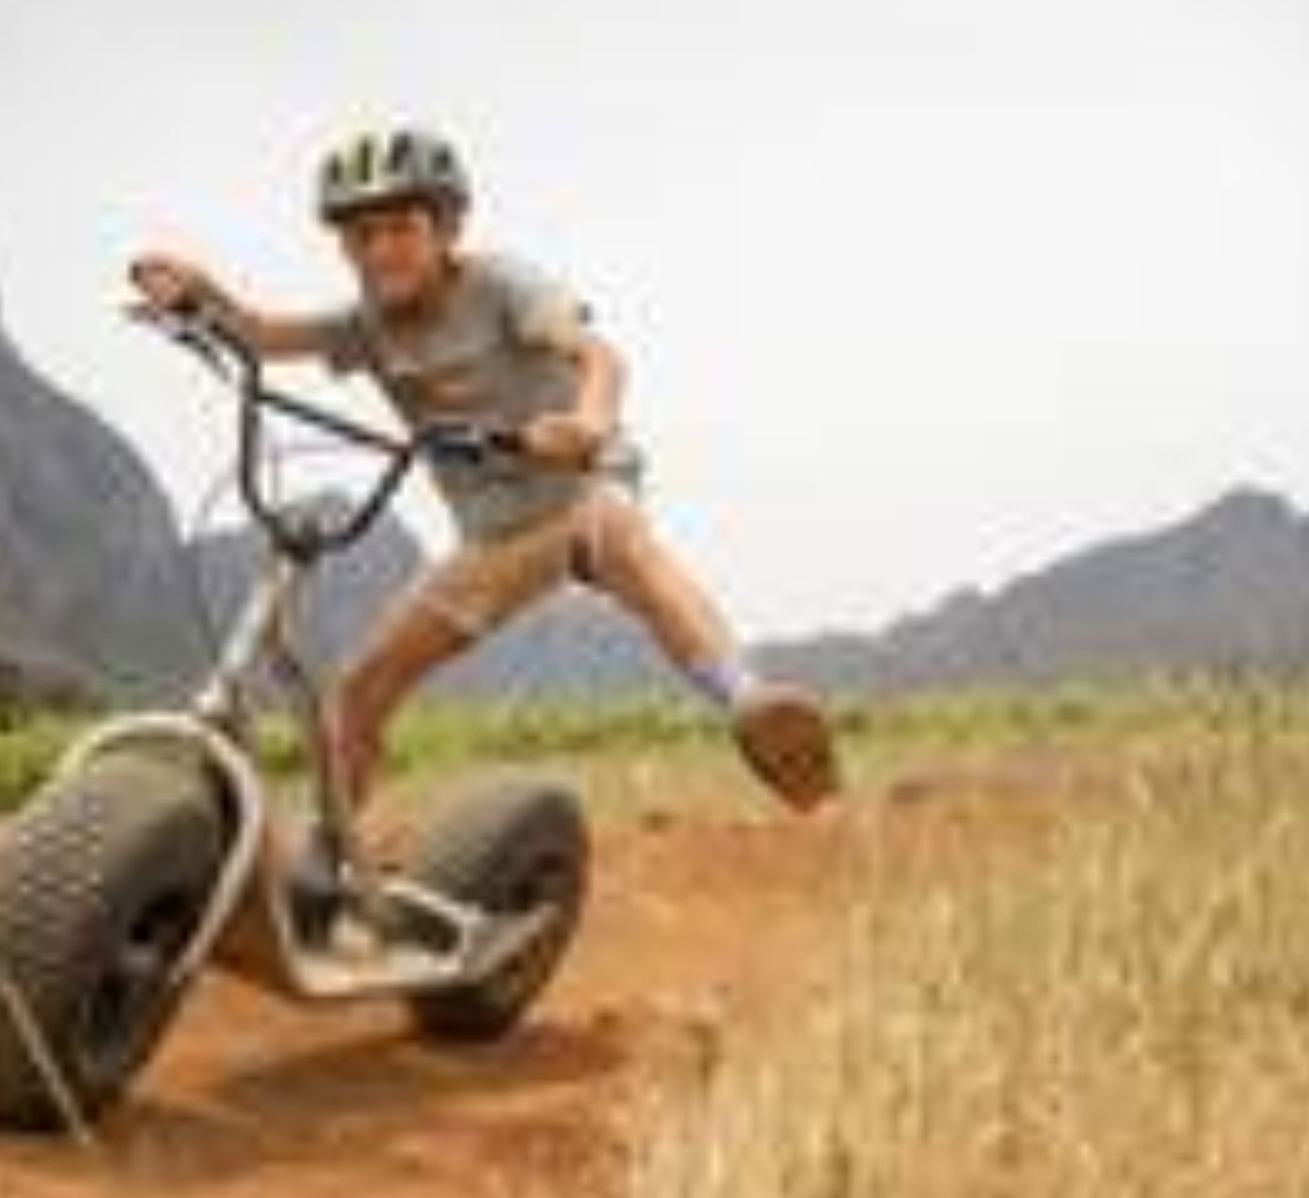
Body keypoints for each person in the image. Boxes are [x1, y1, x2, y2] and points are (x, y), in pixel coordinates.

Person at [130, 125, 841, 821]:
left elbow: (598, 357)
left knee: (615, 533)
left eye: (401, 227)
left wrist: (588, 424)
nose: (380, 250)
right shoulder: (366, 324)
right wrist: (199, 295)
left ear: (446, 227)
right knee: (360, 690)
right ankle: (330, 861)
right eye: (359, 235)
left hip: (581, 486)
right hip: (495, 540)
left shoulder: (502, 285)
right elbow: (268, 337)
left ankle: (750, 702)